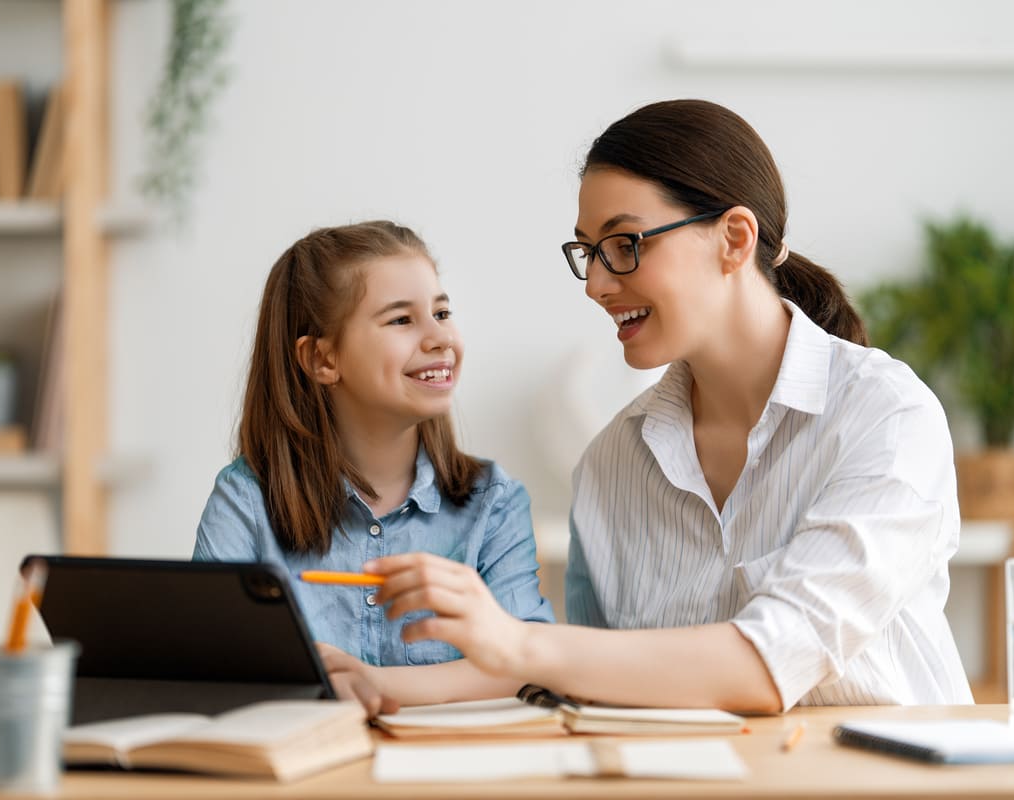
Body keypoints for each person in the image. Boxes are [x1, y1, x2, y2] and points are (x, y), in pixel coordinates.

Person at [363, 100, 974, 714]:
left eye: (625, 244)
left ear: (734, 239)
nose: (597, 284)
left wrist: (517, 641)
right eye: (588, 252)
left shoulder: (886, 417)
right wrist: (373, 683)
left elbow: (771, 662)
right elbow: (590, 689)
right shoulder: (611, 465)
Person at [193, 220, 554, 713]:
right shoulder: (246, 500)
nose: (438, 337)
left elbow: (529, 659)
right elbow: (211, 659)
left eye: (442, 312)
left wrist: (365, 681)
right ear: (322, 358)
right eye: (401, 320)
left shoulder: (493, 502)